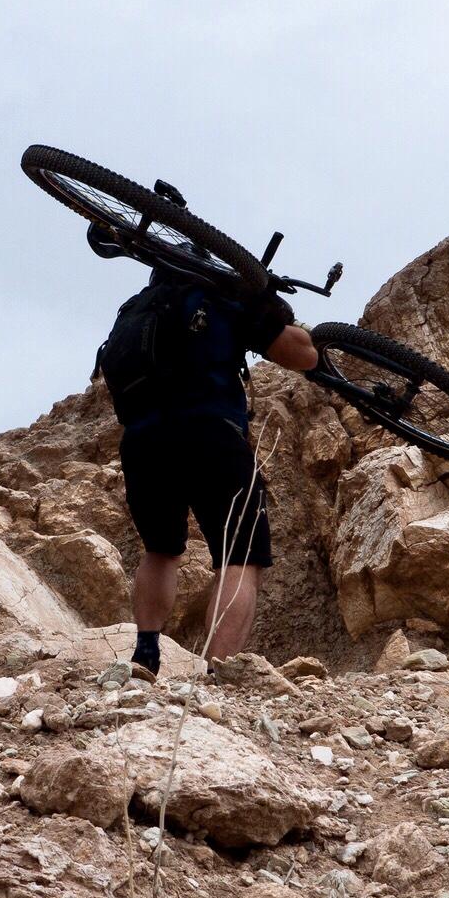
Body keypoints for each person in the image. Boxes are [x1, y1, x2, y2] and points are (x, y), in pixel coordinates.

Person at [88, 226, 318, 676]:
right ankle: (217, 677)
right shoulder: (219, 292)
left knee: (161, 550)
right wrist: (273, 312)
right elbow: (300, 355)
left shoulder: (135, 310)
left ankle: (147, 655)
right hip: (210, 433)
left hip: (142, 443)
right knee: (240, 555)